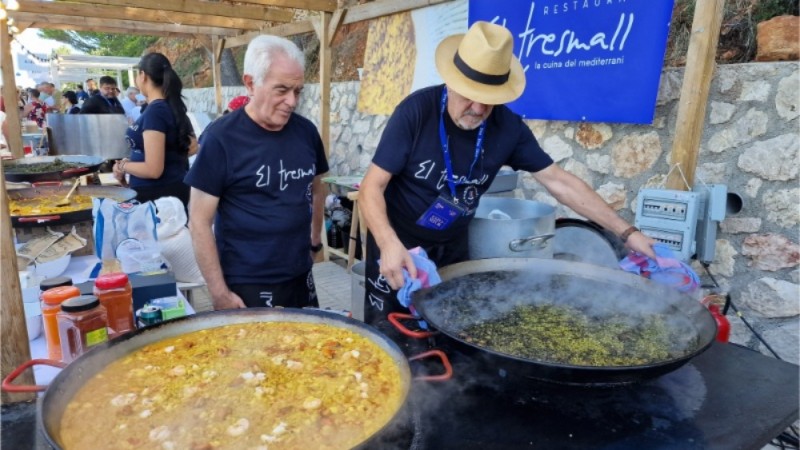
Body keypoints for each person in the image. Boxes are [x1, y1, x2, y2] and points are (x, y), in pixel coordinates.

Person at [359, 22, 656, 328]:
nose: (478, 108)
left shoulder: (508, 127)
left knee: (447, 328)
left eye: (489, 98)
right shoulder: (416, 112)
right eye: (469, 95)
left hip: (454, 247)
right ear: (450, 82)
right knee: (388, 331)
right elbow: (371, 187)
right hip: (397, 241)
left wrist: (627, 233)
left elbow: (559, 182)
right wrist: (388, 243)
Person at [185, 35, 328, 311]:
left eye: (297, 91)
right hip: (246, 283)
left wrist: (315, 242)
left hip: (300, 276)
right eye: (281, 90)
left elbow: (317, 188)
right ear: (250, 84)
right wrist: (219, 292)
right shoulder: (221, 138)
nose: (292, 101)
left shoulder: (306, 132)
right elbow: (199, 221)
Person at [112, 53, 196, 208]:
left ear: (143, 75)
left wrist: (122, 166)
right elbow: (193, 147)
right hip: (171, 190)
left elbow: (153, 170)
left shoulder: (156, 112)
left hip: (156, 197)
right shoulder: (171, 107)